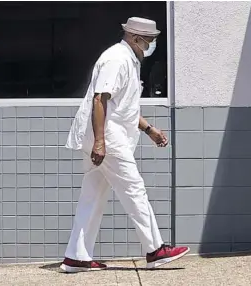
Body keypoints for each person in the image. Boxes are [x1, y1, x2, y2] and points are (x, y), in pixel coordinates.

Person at [60, 17, 189, 273]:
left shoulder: (129, 60)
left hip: (108, 136)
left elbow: (124, 107)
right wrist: (100, 142)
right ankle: (155, 250)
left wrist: (149, 129)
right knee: (134, 190)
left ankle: (76, 256)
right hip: (108, 137)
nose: (151, 44)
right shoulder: (116, 59)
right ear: (135, 37)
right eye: (149, 40)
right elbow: (100, 99)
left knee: (92, 196)